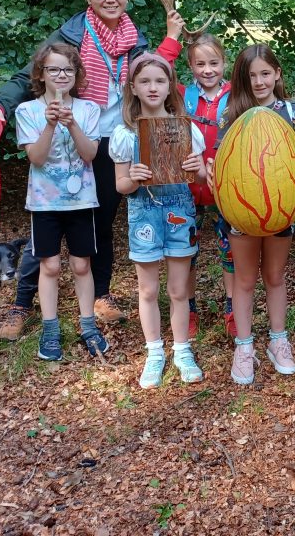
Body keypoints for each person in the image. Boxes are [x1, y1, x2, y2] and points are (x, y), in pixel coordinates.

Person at [0, 0, 183, 339]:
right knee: (48, 225)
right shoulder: (71, 35)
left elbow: (155, 73)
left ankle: (101, 297)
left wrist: (171, 38)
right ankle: (21, 305)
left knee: (99, 223)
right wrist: (0, 105)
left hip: (115, 141)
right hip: (72, 139)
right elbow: (28, 75)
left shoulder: (132, 39)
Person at [208, 44, 295, 386]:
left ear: (277, 74)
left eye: (265, 73)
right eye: (252, 75)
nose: (259, 81)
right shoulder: (232, 113)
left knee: (274, 275)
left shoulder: (290, 113)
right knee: (243, 279)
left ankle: (278, 340)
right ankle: (244, 347)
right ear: (243, 78)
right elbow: (221, 162)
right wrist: (215, 179)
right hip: (241, 211)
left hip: (281, 211)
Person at [110, 53, 205, 389]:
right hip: (144, 216)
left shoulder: (186, 129)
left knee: (179, 289)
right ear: (133, 88)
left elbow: (202, 178)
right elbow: (121, 186)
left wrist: (198, 167)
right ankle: (154, 352)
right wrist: (133, 177)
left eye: (160, 81)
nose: (153, 87)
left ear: (170, 88)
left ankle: (182, 350)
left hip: (180, 213)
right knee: (147, 289)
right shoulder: (124, 133)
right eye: (145, 81)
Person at [15, 43, 108, 360]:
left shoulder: (88, 110)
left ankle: (88, 325)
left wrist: (71, 123)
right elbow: (37, 158)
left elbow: (90, 154)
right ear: (41, 74)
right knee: (50, 266)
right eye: (53, 69)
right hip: (44, 204)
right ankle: (50, 328)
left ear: (77, 74)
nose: (61, 75)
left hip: (81, 202)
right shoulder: (27, 111)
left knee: (82, 264)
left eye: (68, 69)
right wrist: (51, 124)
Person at [172, 28, 235, 339]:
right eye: (200, 64)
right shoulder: (182, 95)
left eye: (214, 63)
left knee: (231, 252)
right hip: (186, 189)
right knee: (187, 252)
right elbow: (152, 67)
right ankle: (190, 308)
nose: (208, 70)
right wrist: (172, 35)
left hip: (226, 188)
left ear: (224, 62)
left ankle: (233, 307)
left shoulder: (237, 94)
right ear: (190, 66)